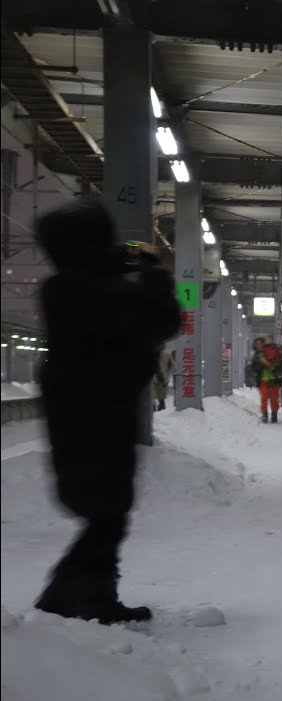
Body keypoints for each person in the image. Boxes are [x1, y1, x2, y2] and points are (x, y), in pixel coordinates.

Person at [33, 198, 181, 624]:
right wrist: (153, 272)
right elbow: (163, 319)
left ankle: (87, 596)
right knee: (107, 513)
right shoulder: (82, 290)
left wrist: (126, 261)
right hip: (92, 418)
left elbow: (110, 287)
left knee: (108, 513)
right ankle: (69, 598)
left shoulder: (67, 285)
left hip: (89, 413)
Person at [252, 337, 282, 423]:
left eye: (260, 343)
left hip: (274, 379)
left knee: (274, 398)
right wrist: (262, 366)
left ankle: (274, 414)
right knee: (264, 398)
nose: (258, 345)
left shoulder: (274, 352)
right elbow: (254, 368)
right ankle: (264, 415)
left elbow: (280, 364)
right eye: (256, 344)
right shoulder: (257, 356)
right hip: (263, 380)